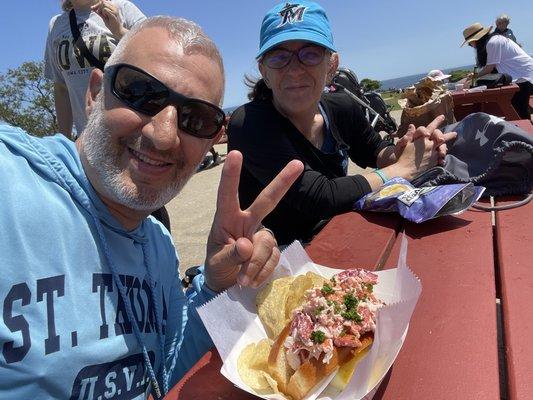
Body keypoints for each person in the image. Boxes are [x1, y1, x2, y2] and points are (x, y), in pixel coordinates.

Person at [0, 16, 303, 398]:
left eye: (196, 118)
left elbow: (163, 374)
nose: (162, 136)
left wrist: (215, 285)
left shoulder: (156, 244)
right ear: (93, 94)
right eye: (141, 93)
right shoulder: (11, 182)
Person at [228, 1, 456, 246]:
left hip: (334, 237)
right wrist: (401, 169)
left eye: (310, 54)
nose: (294, 70)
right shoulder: (249, 122)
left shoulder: (342, 107)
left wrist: (408, 149)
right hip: (273, 255)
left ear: (331, 65)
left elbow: (377, 151)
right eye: (279, 57)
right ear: (264, 71)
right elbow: (320, 197)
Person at [44, 0, 146, 139]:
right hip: (86, 140)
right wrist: (64, 139)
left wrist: (120, 31)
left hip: (128, 137)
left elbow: (157, 55)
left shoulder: (122, 9)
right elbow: (61, 87)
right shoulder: (56, 24)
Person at [461, 22, 533, 119]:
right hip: (522, 74)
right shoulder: (495, 40)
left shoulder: (492, 43)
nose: (471, 46)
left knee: (518, 111)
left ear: (477, 40)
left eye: (470, 43)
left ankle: (527, 132)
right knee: (519, 109)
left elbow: (489, 68)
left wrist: (474, 77)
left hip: (523, 76)